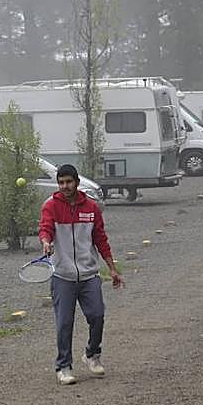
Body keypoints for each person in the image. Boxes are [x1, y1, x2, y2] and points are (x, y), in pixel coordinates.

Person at [38, 164, 124, 385]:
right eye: (61, 182)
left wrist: (112, 269)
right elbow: (45, 228)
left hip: (88, 275)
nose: (65, 186)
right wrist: (46, 242)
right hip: (62, 276)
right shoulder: (51, 206)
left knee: (97, 315)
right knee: (64, 323)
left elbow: (101, 239)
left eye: (69, 181)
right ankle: (63, 366)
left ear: (76, 182)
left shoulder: (92, 208)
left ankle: (92, 354)